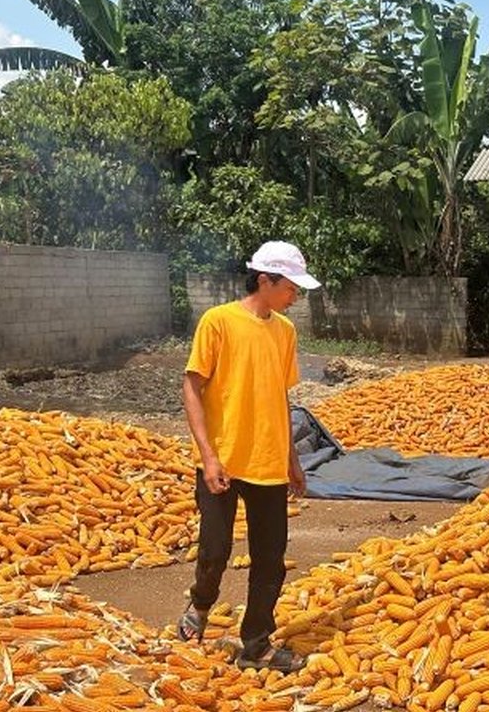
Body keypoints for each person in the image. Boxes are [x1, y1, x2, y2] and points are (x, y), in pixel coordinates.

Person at [176, 240, 319, 673]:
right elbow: (191, 387)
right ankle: (200, 607)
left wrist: (293, 460)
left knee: (270, 559)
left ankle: (256, 643)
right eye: (291, 287)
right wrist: (209, 456)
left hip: (269, 462)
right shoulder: (218, 322)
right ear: (265, 280)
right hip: (224, 460)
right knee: (215, 550)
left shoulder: (285, 332)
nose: (296, 296)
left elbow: (279, 397)